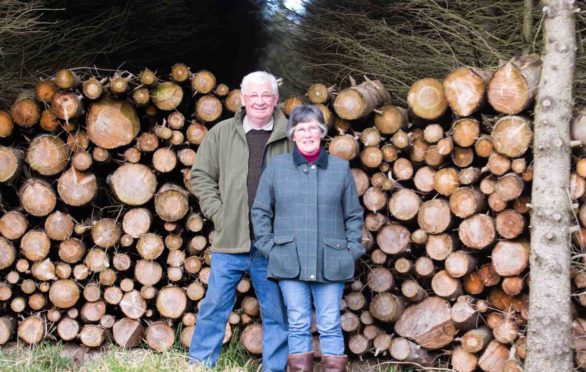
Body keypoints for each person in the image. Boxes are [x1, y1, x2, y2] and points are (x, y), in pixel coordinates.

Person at [189, 71, 293, 371]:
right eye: (253, 96)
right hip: (229, 241)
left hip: (272, 246)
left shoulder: (291, 136)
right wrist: (219, 214)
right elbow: (201, 176)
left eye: (266, 95)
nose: (259, 101)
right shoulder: (222, 133)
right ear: (243, 99)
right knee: (213, 309)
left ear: (275, 100)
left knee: (277, 313)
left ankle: (275, 368)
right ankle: (199, 365)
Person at [252, 105, 365, 372]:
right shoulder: (277, 167)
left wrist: (350, 251)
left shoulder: (339, 169)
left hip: (332, 260)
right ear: (292, 135)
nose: (307, 134)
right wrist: (271, 249)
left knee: (328, 323)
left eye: (312, 127)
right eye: (301, 129)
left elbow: (353, 215)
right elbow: (260, 211)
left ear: (322, 132)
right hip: (289, 260)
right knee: (298, 322)